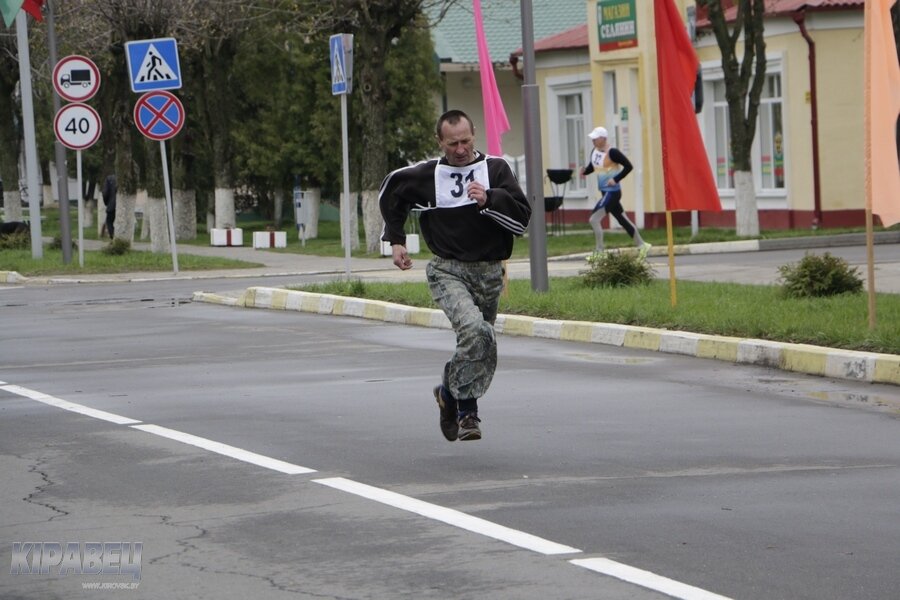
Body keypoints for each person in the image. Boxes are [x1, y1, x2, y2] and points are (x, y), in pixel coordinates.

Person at [379, 109, 532, 442]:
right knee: (475, 331)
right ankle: (468, 416)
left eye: (465, 141)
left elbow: (522, 220)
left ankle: (448, 395)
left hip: (489, 271)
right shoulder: (429, 174)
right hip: (447, 269)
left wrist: (490, 199)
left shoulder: (495, 169)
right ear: (440, 141)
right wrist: (396, 240)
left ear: (474, 135)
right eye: (452, 144)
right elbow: (392, 191)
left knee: (479, 343)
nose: (460, 150)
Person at [580, 126, 650, 256]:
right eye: (592, 138)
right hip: (604, 192)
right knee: (622, 219)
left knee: (594, 219)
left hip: (612, 193)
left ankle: (599, 252)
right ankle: (642, 245)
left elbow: (629, 166)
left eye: (595, 138)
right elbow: (592, 167)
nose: (593, 141)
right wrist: (585, 171)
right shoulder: (594, 151)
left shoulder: (613, 152)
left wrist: (616, 179)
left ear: (603, 138)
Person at [102, 174, 117, 239]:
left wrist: (107, 203)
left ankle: (113, 237)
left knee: (109, 221)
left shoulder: (109, 178)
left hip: (112, 205)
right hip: (124, 206)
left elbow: (105, 193)